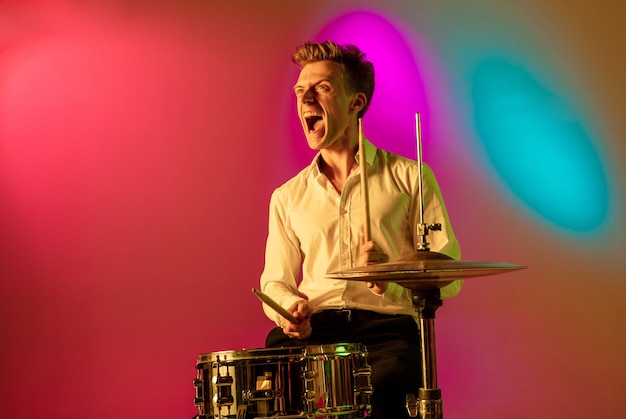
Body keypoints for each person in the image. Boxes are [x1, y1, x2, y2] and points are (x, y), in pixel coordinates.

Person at [259, 40, 461, 418]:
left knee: (383, 388)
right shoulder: (287, 196)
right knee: (262, 391)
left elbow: (449, 275)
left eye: (323, 88)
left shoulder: (409, 177)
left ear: (356, 103)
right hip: (315, 332)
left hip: (385, 333)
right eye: (301, 90)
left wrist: (392, 278)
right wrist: (290, 311)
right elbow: (275, 282)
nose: (306, 99)